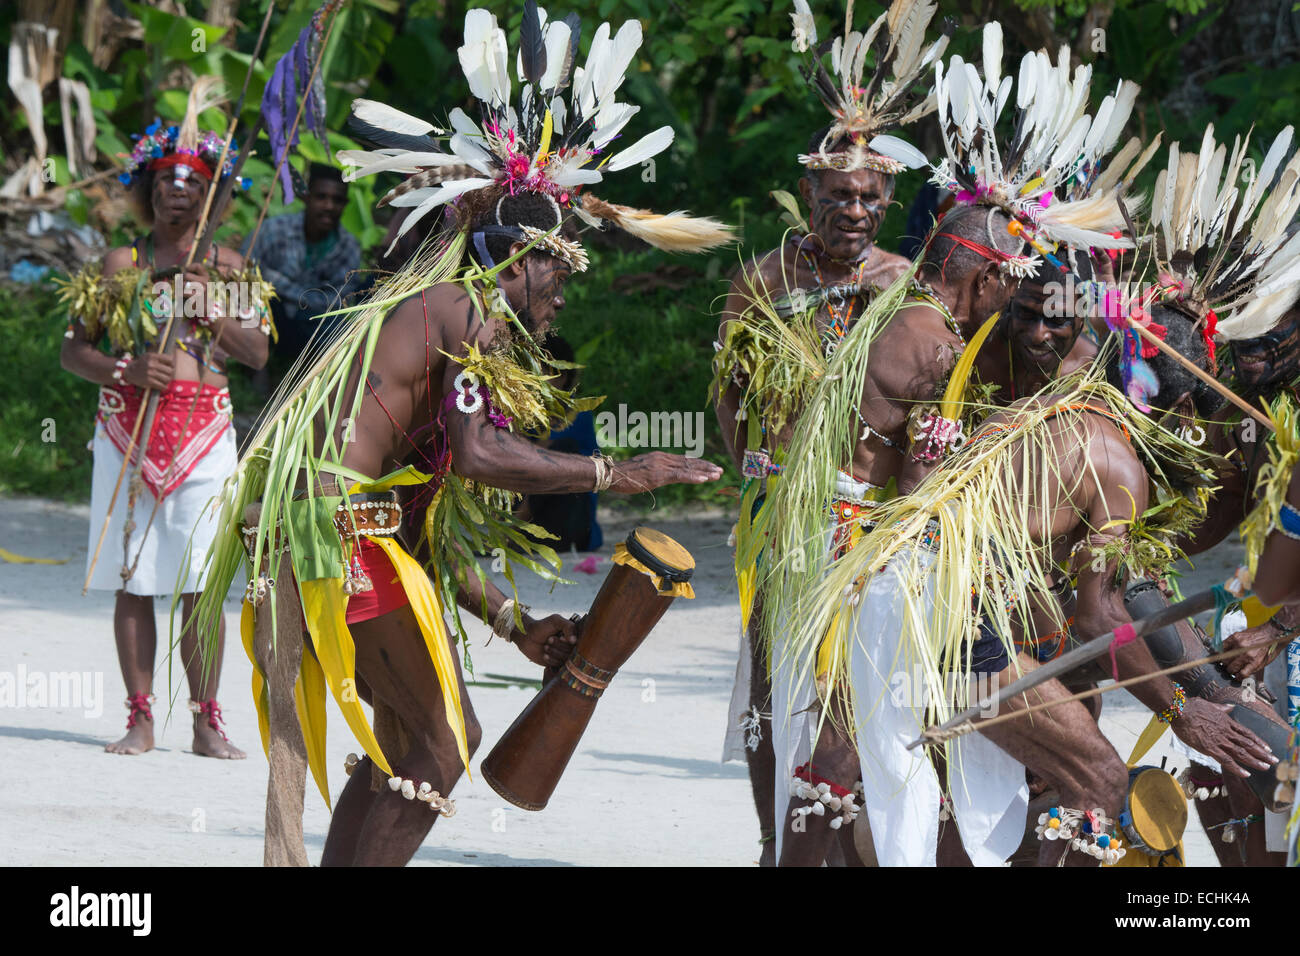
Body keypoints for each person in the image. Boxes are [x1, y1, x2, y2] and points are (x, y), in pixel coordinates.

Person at [190, 5, 732, 867]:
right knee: (441, 745)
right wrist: (616, 471)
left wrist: (513, 621)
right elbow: (480, 457)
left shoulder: (437, 315)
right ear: (518, 256)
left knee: (429, 735)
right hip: (330, 543)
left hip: (328, 540)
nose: (564, 291)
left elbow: (417, 522)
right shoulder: (465, 313)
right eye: (562, 266)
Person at [771, 119, 1299, 867]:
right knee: (1100, 780)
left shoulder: (1034, 403)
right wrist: (1188, 707)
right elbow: (1102, 613)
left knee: (1004, 783)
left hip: (922, 600)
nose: (1044, 341)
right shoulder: (1108, 455)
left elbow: (1110, 595)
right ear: (1181, 415)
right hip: (934, 616)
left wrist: (1208, 682)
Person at [712, 0, 947, 865]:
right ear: (808, 191)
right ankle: (777, 841)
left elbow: (933, 401)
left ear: (889, 200)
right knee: (771, 692)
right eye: (837, 195)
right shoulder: (763, 279)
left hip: (872, 522)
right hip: (783, 520)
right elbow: (728, 391)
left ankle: (834, 841)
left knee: (854, 695)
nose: (853, 211)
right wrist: (754, 465)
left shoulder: (907, 286)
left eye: (870, 198)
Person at [55, 79, 273, 758]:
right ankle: (141, 717)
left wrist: (217, 316)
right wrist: (125, 371)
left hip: (206, 433)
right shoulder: (121, 264)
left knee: (200, 580)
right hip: (128, 431)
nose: (178, 191)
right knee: (135, 576)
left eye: (193, 182)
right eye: (167, 180)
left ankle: (208, 721)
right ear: (149, 189)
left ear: (210, 195)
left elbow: (260, 352)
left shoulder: (229, 265)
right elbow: (73, 350)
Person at [245, 162, 361, 363]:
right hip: (270, 311)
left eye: (337, 200)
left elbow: (339, 301)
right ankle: (256, 365)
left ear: (345, 204)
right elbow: (245, 269)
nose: (329, 206)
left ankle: (312, 370)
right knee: (254, 293)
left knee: (336, 322)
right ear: (306, 197)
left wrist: (283, 286)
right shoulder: (273, 230)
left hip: (311, 322)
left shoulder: (349, 247)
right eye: (321, 197)